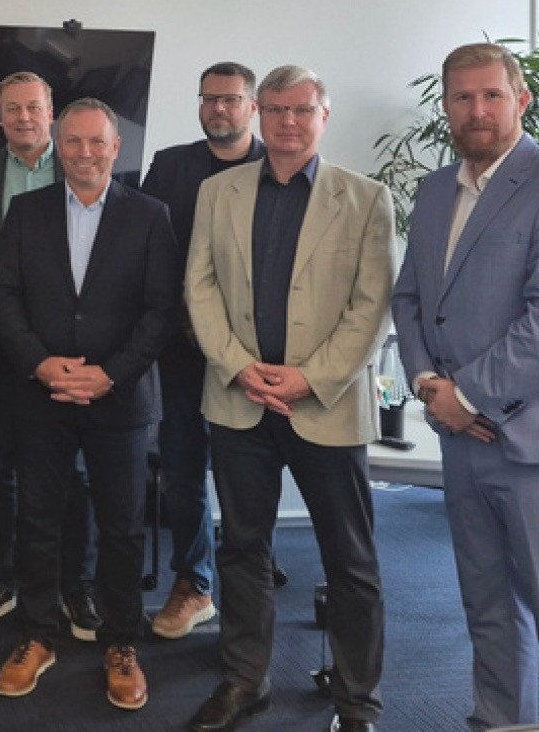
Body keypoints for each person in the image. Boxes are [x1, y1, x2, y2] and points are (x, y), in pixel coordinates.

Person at [392, 42, 539, 730]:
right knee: (488, 614)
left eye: (492, 95)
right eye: (463, 97)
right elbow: (411, 299)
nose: (478, 110)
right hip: (465, 443)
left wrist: (463, 395)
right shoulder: (436, 191)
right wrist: (428, 383)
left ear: (520, 100)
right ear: (446, 106)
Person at [184, 66, 392, 732]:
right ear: (257, 114)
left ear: (324, 116)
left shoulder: (366, 198)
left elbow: (371, 307)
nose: (288, 122)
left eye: (302, 110)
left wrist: (310, 377)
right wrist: (239, 366)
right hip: (239, 400)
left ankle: (357, 699)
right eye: (275, 109)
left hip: (325, 404)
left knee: (349, 558)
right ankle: (245, 680)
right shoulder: (217, 192)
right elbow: (200, 288)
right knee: (243, 548)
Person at [0, 98, 178, 711]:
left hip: (118, 399)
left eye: (97, 142)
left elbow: (161, 311)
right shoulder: (26, 211)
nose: (85, 153)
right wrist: (41, 363)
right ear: (58, 144)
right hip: (42, 394)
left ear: (116, 148)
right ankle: (37, 635)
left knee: (122, 528)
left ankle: (121, 643)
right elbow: (4, 297)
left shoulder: (149, 215)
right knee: (37, 520)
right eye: (73, 141)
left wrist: (109, 375)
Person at [0, 71, 99, 640]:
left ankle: (76, 585)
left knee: (76, 476)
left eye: (34, 107)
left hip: (70, 355)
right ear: (0, 117)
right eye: (13, 108)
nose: (24, 117)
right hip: (2, 349)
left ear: (52, 113)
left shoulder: (81, 166)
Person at [140, 61, 265, 640]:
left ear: (252, 106)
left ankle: (247, 590)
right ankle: (195, 583)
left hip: (255, 356)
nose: (219, 108)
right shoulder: (170, 166)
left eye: (231, 99)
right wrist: (183, 322)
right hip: (183, 351)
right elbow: (146, 249)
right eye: (209, 98)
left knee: (246, 473)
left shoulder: (277, 165)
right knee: (183, 469)